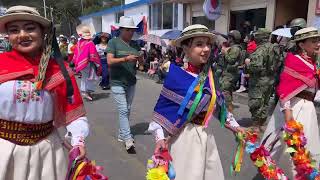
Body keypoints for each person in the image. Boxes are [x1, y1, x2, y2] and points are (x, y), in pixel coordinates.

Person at [0, 6, 89, 180]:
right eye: (14, 30)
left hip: (47, 150)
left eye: (30, 28)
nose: (22, 35)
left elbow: (73, 112)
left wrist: (78, 140)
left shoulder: (59, 70)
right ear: (8, 36)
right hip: (4, 150)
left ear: (43, 32)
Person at [148, 24, 245, 180]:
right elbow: (161, 113)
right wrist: (160, 138)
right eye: (199, 44)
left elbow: (218, 107)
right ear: (186, 48)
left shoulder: (211, 77)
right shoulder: (176, 76)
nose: (206, 49)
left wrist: (236, 127)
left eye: (208, 44)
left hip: (206, 138)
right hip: (182, 140)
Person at [262, 27, 320, 178]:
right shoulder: (293, 61)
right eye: (313, 41)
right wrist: (288, 113)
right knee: (288, 146)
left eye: (318, 41)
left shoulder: (314, 63)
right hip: (294, 108)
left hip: (308, 109)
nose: (318, 44)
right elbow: (284, 90)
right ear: (301, 44)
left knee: (307, 145)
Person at [106, 16, 143, 151]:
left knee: (127, 109)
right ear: (121, 29)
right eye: (128, 30)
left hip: (131, 81)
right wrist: (126, 58)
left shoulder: (135, 44)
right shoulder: (113, 42)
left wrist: (141, 58)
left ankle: (122, 134)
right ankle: (128, 139)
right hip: (117, 81)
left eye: (132, 30)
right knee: (123, 110)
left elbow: (141, 65)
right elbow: (109, 61)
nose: (131, 32)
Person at [245, 28, 282, 131]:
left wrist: (248, 64)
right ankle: (262, 123)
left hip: (259, 80)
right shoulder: (274, 47)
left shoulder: (261, 49)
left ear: (260, 37)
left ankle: (256, 125)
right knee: (265, 101)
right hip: (270, 79)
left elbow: (255, 67)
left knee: (256, 102)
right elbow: (279, 62)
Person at [73, 24, 101, 101]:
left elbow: (76, 53)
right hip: (88, 63)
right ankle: (86, 92)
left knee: (84, 77)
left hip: (80, 63)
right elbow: (93, 54)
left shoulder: (79, 43)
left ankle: (85, 91)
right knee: (90, 78)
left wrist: (75, 62)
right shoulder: (90, 43)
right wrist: (98, 64)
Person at [219, 30, 242, 124]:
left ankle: (230, 114)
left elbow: (231, 60)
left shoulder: (236, 49)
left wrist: (225, 52)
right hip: (228, 73)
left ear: (232, 39)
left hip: (230, 75)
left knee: (226, 93)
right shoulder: (232, 47)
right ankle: (228, 113)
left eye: (229, 37)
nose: (227, 39)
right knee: (227, 93)